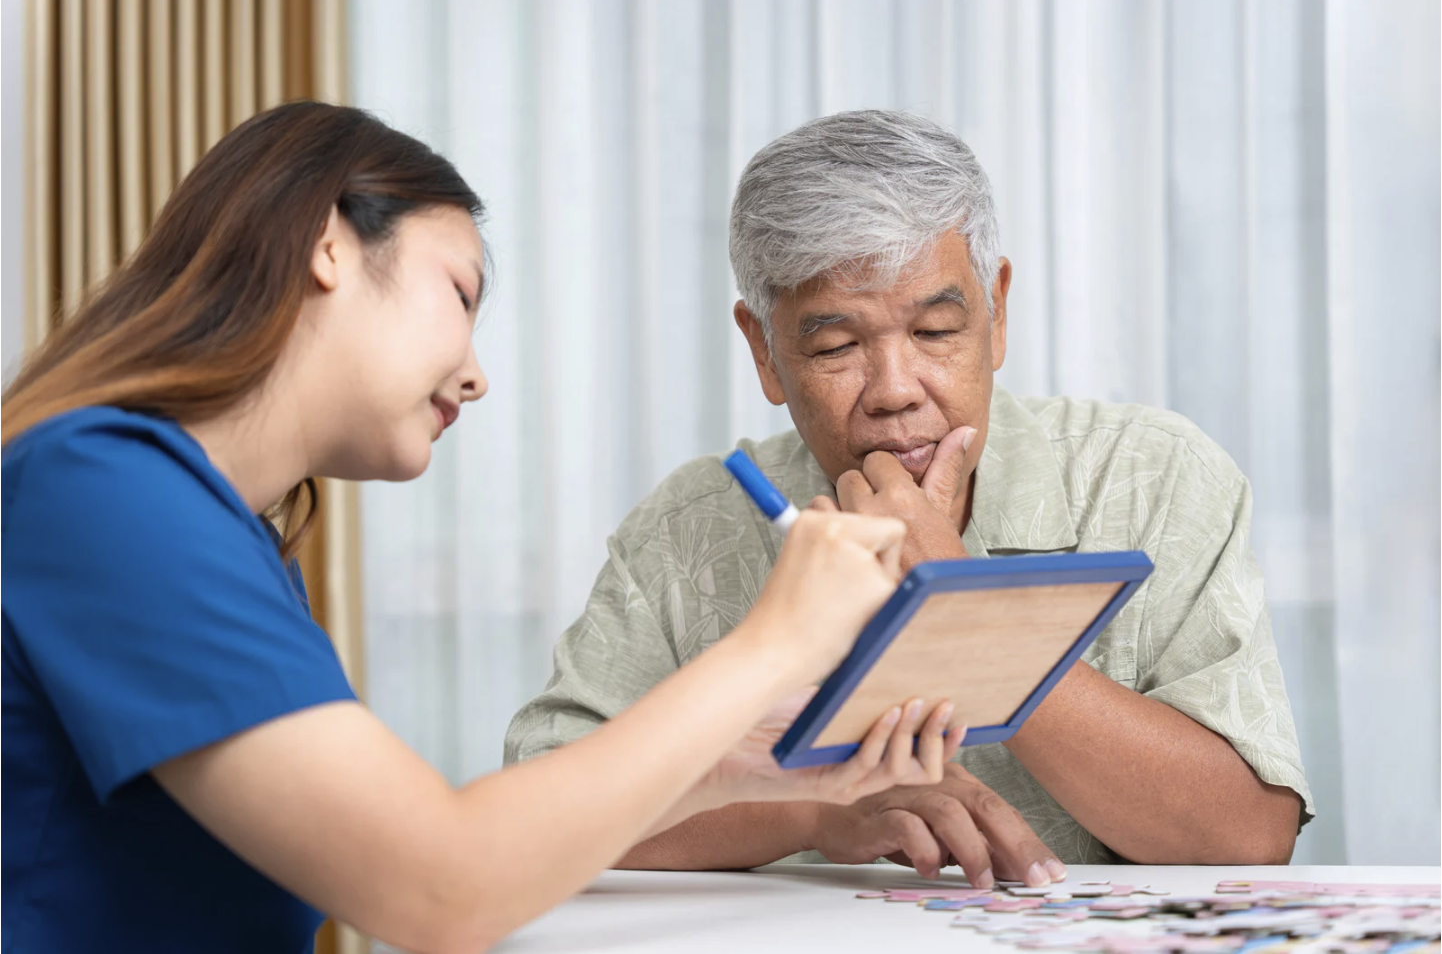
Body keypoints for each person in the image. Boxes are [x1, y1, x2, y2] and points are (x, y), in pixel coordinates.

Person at [0, 102, 961, 954]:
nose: (475, 374)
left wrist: (745, 771)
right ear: (327, 245)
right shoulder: (102, 493)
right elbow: (441, 887)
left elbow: (439, 848)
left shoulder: (218, 531)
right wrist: (778, 638)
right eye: (460, 295)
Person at [505, 109, 1313, 885]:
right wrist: (811, 807)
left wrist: (963, 605)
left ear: (996, 312)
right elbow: (532, 819)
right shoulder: (691, 528)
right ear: (765, 351)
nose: (895, 390)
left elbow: (1248, 836)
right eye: (836, 345)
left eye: (934, 333)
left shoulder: (1153, 475)